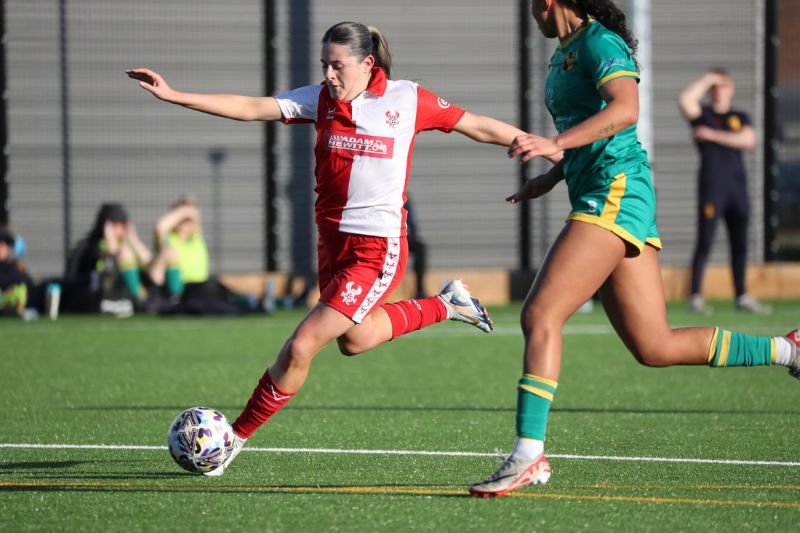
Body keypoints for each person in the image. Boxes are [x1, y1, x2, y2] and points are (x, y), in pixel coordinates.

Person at [128, 21, 530, 476]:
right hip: (333, 244)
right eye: (324, 65)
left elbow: (474, 124)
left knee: (301, 347)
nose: (329, 75)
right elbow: (248, 106)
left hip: (376, 250)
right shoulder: (319, 99)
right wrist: (176, 95)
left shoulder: (406, 99)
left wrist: (546, 146)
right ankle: (446, 304)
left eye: (337, 65)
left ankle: (232, 442)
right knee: (355, 341)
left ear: (367, 64)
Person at [468, 0, 800, 498]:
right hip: (604, 190)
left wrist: (556, 143)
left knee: (540, 315)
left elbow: (626, 110)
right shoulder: (563, 55)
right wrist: (553, 174)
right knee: (655, 346)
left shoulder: (600, 42)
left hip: (616, 191)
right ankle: (788, 349)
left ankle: (528, 454)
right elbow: (592, 129)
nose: (528, 12)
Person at [678, 69, 769, 315]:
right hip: (711, 187)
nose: (719, 90)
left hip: (737, 188)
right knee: (705, 241)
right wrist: (708, 78)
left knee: (739, 243)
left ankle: (742, 295)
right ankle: (695, 295)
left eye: (723, 85)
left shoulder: (739, 116)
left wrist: (712, 135)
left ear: (731, 89)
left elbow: (748, 140)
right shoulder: (703, 115)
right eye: (714, 87)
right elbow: (685, 100)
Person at [63, 202, 152, 316]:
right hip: (104, 292)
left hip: (126, 291)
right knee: (124, 254)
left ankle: (140, 300)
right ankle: (139, 301)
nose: (121, 228)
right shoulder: (94, 245)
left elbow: (149, 262)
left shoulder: (128, 244)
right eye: (116, 224)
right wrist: (111, 241)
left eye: (123, 224)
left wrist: (133, 239)